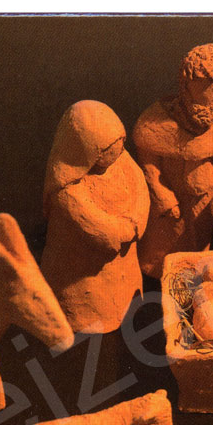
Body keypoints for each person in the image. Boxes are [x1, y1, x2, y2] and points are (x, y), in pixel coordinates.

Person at [132, 43, 213, 278]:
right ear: (185, 85)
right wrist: (162, 194)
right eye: (197, 87)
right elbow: (148, 161)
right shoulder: (159, 117)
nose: (204, 99)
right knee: (165, 267)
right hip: (173, 213)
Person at [39, 101, 150, 334]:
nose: (116, 152)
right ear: (84, 150)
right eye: (106, 149)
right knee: (91, 302)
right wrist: (119, 231)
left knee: (124, 293)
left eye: (119, 144)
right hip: (83, 281)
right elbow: (91, 223)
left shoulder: (122, 158)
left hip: (125, 268)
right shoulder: (66, 190)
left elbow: (140, 187)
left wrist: (137, 220)